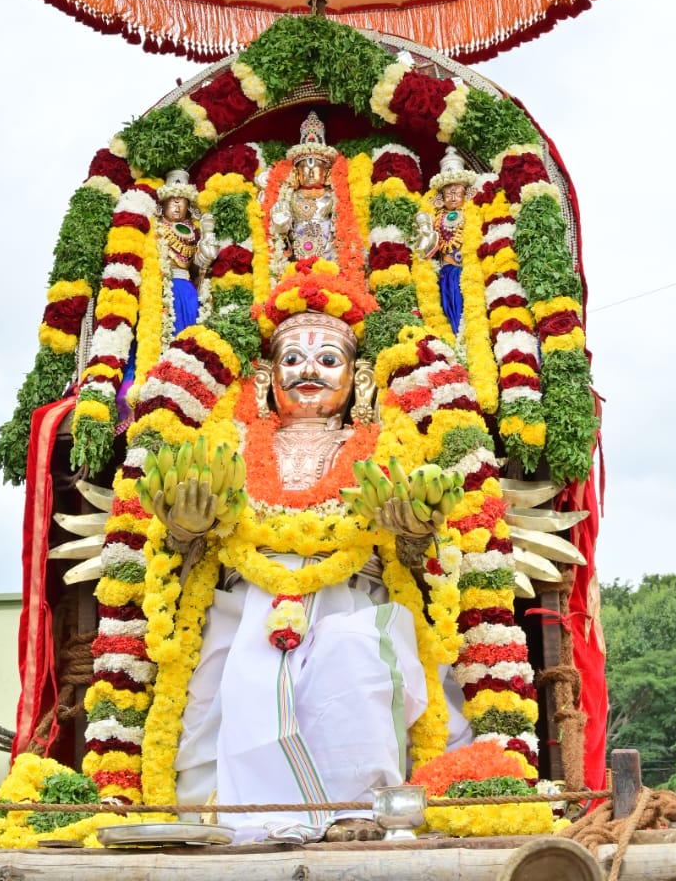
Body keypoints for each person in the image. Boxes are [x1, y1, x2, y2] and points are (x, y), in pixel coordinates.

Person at [152, 309, 466, 841]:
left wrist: (413, 533)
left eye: (327, 359)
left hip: (350, 594)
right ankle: (246, 823)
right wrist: (185, 530)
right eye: (292, 359)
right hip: (247, 602)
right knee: (237, 681)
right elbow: (185, 553)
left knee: (357, 658)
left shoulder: (385, 449)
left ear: (359, 379)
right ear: (264, 379)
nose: (308, 371)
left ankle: (359, 814)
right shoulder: (229, 449)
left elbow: (423, 562)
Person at [116, 168, 218, 427]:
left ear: (188, 204)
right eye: (172, 199)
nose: (176, 204)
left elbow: (198, 268)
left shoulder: (194, 230)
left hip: (186, 291)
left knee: (187, 342)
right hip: (157, 290)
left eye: (181, 200)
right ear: (162, 202)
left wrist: (206, 248)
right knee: (152, 343)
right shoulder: (154, 226)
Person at [270, 112, 338, 268]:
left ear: (327, 173)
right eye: (305, 168)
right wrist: (281, 223)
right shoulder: (289, 196)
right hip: (296, 262)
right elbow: (280, 234)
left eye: (317, 168)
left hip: (329, 260)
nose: (311, 173)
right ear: (296, 173)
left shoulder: (335, 196)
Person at [425, 149, 476, 335]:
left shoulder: (473, 214)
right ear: (440, 197)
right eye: (448, 193)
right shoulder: (435, 217)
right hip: (445, 274)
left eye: (457, 192)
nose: (453, 197)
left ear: (467, 194)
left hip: (469, 272)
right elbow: (427, 250)